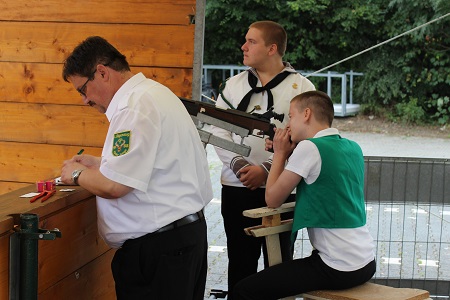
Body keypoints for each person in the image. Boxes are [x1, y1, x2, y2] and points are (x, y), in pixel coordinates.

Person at [60, 36, 213, 300]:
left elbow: (115, 186)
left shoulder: (133, 106)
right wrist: (101, 164)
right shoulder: (154, 93)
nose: (84, 100)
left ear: (102, 72)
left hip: (159, 251)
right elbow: (154, 162)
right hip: (180, 239)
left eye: (82, 90)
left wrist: (75, 174)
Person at [232, 91, 376, 300]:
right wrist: (289, 152)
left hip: (337, 265)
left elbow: (272, 199)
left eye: (291, 116)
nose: (288, 124)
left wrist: (280, 154)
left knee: (243, 290)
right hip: (365, 261)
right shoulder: (352, 147)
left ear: (306, 114)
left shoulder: (309, 148)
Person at [210, 20, 315, 297]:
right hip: (237, 187)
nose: (243, 46)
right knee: (240, 263)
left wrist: (268, 170)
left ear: (272, 48)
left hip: (282, 188)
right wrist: (241, 165)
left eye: (251, 41)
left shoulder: (302, 87)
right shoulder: (232, 86)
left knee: (279, 265)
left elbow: (309, 139)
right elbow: (217, 128)